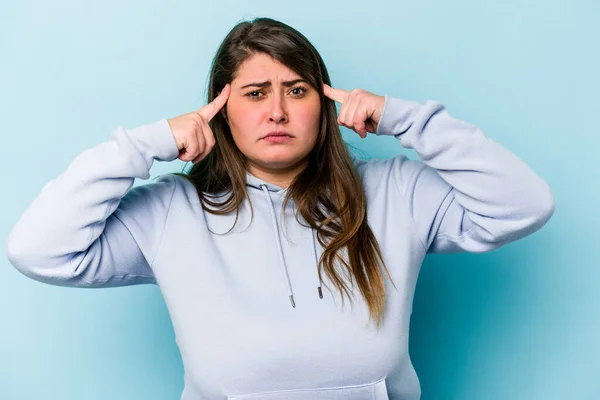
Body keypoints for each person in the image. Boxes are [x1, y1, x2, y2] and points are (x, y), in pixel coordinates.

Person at [6, 16, 554, 400]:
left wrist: (407, 120)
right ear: (220, 110)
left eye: (296, 91)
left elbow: (525, 204)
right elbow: (38, 251)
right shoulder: (170, 211)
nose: (276, 112)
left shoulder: (397, 192)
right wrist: (146, 144)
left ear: (325, 103)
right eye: (253, 94)